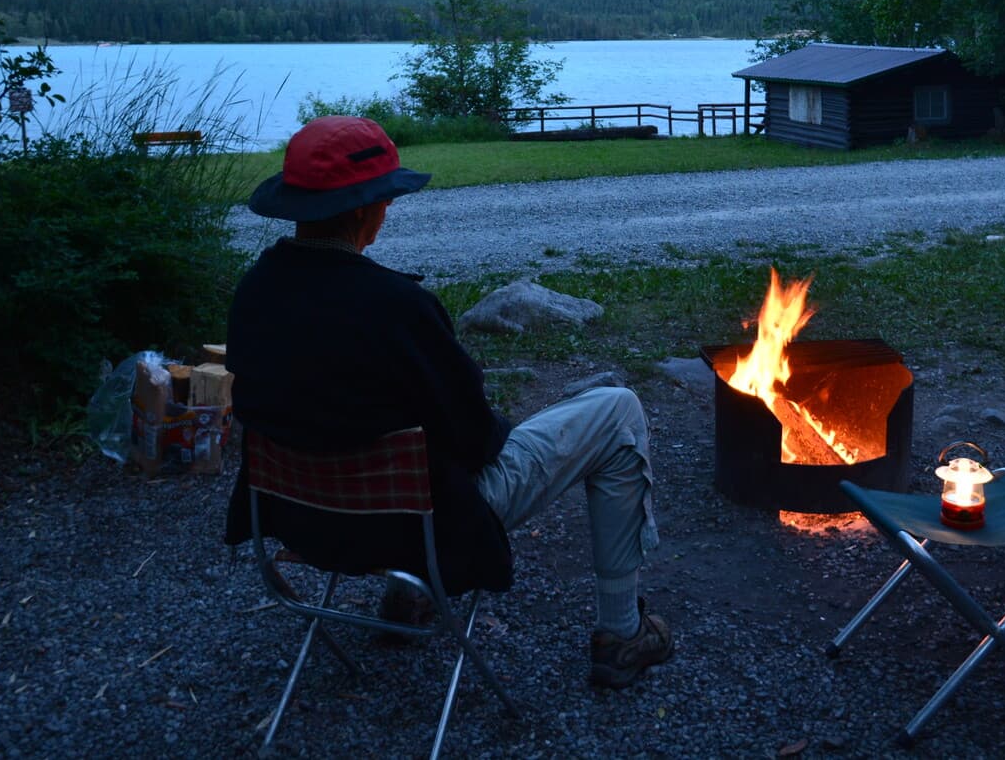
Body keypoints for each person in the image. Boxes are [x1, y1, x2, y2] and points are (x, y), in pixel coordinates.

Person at [223, 115, 672, 688]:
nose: (387, 212)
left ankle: (408, 594)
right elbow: (475, 440)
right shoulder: (396, 307)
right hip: (419, 530)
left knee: (384, 439)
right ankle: (622, 632)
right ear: (365, 210)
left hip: (297, 520)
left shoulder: (255, 291)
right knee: (618, 409)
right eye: (385, 200)